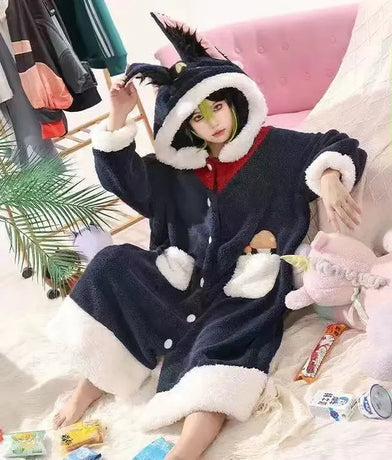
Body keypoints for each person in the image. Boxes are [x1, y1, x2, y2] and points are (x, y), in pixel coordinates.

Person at [48, 12, 367, 460]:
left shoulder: (274, 147)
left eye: (216, 106)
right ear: (186, 125)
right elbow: (124, 180)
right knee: (111, 264)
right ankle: (92, 381)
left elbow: (335, 144)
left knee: (218, 347)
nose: (212, 122)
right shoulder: (176, 169)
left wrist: (330, 176)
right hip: (180, 273)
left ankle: (187, 449)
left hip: (243, 285)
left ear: (232, 101)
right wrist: (118, 116)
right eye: (198, 117)